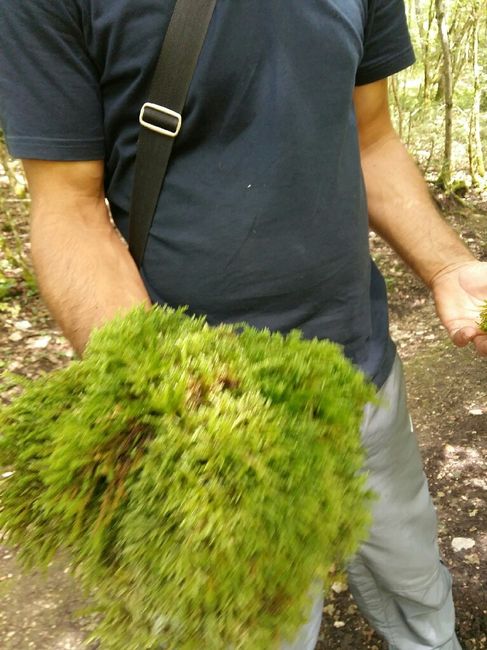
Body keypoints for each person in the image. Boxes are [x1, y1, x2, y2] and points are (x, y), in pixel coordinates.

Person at [0, 1, 485, 648]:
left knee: (414, 578)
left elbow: (371, 139)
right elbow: (69, 207)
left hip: (363, 367)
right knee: (261, 628)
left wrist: (447, 266)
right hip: (207, 422)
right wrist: (176, 405)